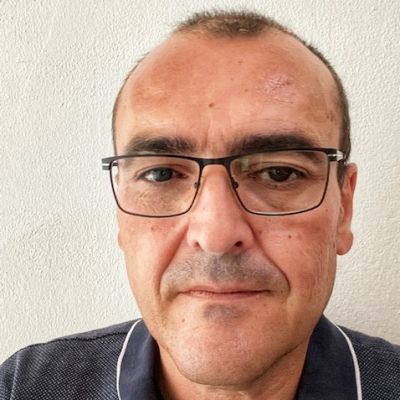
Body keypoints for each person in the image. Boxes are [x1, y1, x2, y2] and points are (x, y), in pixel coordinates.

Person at [1, 9, 399, 400]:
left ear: (343, 209)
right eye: (161, 174)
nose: (216, 234)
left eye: (279, 173)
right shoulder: (24, 388)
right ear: (121, 211)